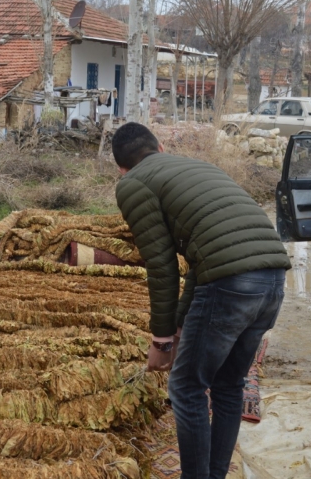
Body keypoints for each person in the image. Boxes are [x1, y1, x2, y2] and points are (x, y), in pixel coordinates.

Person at [112, 122, 290, 479]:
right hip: (273, 276)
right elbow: (200, 259)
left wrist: (161, 340)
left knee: (186, 386)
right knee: (228, 385)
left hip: (231, 283)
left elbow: (162, 267)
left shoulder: (133, 183)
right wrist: (179, 325)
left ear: (121, 168)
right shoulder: (198, 168)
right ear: (160, 148)